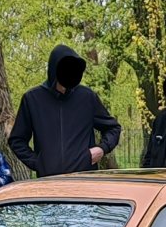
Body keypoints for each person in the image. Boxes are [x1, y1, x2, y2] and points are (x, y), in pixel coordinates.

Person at [8, 44, 122, 177]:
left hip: (84, 178)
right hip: (49, 181)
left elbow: (113, 128)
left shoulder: (87, 97)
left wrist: (102, 149)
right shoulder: (32, 99)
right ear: (54, 71)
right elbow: (17, 140)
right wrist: (38, 162)